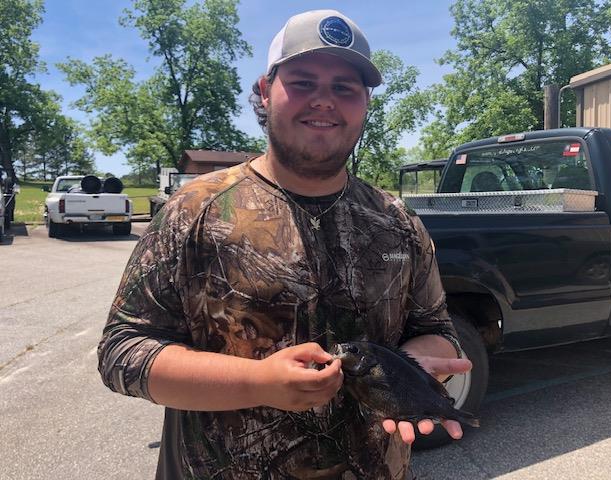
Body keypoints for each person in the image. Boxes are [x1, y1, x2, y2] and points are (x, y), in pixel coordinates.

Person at [98, 9, 472, 480]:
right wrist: (258, 382)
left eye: (344, 87)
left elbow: (436, 326)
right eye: (303, 82)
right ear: (264, 90)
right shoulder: (195, 211)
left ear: (365, 102)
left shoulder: (397, 221)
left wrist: (408, 369)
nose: (324, 101)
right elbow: (122, 352)